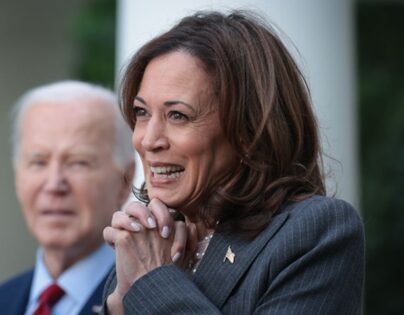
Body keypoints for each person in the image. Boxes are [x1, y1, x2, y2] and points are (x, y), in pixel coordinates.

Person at [102, 10, 365, 314]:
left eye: (177, 115)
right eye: (142, 113)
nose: (148, 140)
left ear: (247, 131)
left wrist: (152, 279)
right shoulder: (150, 238)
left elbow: (155, 286)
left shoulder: (315, 231)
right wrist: (119, 303)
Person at [0, 80, 135, 315]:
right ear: (17, 175)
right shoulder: (5, 299)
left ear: (125, 180)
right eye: (38, 162)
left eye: (78, 163)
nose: (54, 184)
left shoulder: (143, 304)